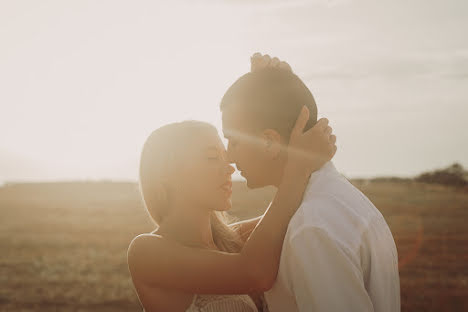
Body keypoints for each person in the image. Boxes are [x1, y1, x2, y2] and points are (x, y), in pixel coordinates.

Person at [220, 53, 401, 312]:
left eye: (233, 140)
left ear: (270, 141)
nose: (228, 154)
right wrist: (271, 84)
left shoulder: (312, 228)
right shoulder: (340, 201)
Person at [127, 97, 337, 310]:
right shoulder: (146, 253)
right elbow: (255, 273)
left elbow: (290, 209)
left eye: (225, 157)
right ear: (166, 174)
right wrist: (297, 168)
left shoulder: (231, 239)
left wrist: (269, 95)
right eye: (211, 157)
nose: (230, 168)